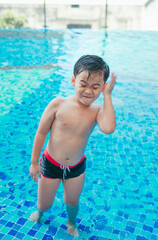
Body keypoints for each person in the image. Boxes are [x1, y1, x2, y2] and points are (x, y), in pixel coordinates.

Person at [29, 55, 116, 237]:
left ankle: (71, 222)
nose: (88, 91)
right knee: (44, 203)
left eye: (95, 87)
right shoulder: (58, 104)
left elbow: (108, 128)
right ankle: (40, 212)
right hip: (51, 164)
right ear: (73, 81)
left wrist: (107, 96)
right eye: (83, 84)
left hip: (76, 167)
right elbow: (41, 133)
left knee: (72, 201)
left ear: (103, 87)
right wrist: (34, 162)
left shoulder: (97, 110)